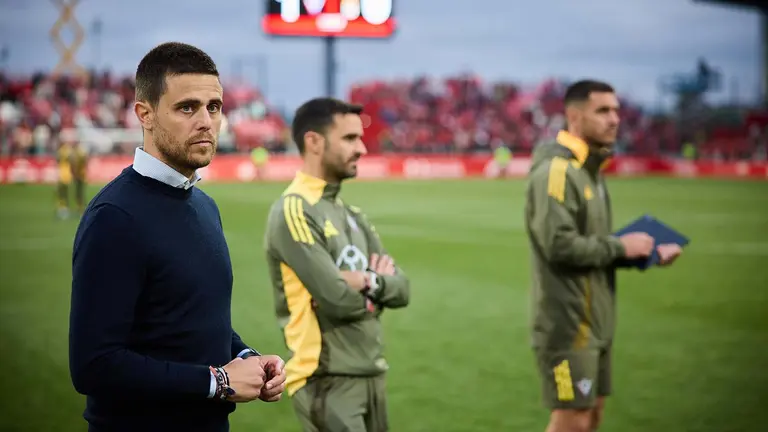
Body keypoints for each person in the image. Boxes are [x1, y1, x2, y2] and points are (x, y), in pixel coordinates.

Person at [68, 42, 286, 432]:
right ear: (145, 114)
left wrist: (245, 356)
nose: (205, 120)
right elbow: (94, 366)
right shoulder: (115, 216)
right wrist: (218, 382)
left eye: (214, 107)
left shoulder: (205, 206)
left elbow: (191, 320)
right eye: (187, 107)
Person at [524, 80, 682, 432]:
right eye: (603, 111)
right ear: (574, 118)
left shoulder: (589, 173)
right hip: (568, 326)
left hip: (596, 322)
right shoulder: (557, 173)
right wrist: (621, 246)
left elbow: (593, 246)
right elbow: (559, 245)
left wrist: (643, 252)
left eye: (616, 110)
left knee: (592, 416)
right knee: (572, 421)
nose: (615, 119)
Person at [263, 97, 410, 432]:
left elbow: (403, 289)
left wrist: (366, 282)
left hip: (371, 374)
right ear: (314, 142)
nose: (361, 149)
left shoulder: (352, 214)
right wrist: (374, 286)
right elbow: (337, 298)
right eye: (349, 139)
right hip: (326, 378)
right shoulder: (294, 210)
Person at [55, 132, 88, 219]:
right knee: (66, 192)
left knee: (77, 192)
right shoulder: (68, 150)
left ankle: (76, 209)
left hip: (75, 174)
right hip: (69, 174)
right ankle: (65, 208)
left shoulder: (74, 151)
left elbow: (79, 162)